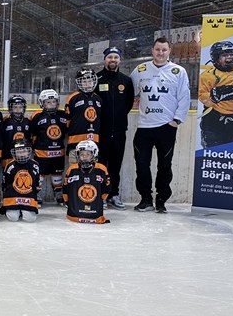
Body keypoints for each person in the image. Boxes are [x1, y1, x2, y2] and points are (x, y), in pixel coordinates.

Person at [130, 36, 191, 213]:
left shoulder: (178, 72)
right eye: (157, 49)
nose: (161, 53)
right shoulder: (140, 69)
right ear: (152, 50)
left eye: (164, 50)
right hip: (144, 127)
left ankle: (161, 200)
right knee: (142, 165)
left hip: (166, 127)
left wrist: (176, 120)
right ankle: (146, 199)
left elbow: (184, 97)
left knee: (165, 166)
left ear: (169, 51)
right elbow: (128, 90)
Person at [96, 47, 135, 209]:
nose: (113, 60)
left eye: (116, 57)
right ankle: (101, 194)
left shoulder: (126, 81)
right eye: (110, 57)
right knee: (100, 164)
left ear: (119, 60)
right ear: (105, 59)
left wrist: (118, 119)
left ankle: (113, 194)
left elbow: (128, 103)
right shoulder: (97, 79)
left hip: (119, 131)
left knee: (115, 164)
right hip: (101, 131)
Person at [28, 89, 69, 204]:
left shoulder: (63, 115)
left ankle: (58, 192)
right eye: (48, 102)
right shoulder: (37, 116)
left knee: (57, 173)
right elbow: (33, 134)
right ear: (42, 103)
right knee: (40, 173)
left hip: (58, 152)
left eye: (54, 102)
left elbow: (66, 132)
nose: (51, 104)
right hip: (42, 152)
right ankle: (37, 193)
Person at [62, 140, 110, 224]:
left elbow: (107, 187)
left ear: (94, 154)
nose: (84, 157)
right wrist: (67, 201)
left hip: (95, 213)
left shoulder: (101, 169)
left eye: (88, 154)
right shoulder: (72, 169)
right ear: (78, 155)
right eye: (82, 154)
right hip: (74, 215)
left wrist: (102, 199)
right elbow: (66, 188)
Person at [65, 68, 102, 165]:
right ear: (79, 82)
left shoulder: (98, 99)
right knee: (74, 169)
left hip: (93, 142)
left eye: (90, 81)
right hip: (75, 141)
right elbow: (67, 120)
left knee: (92, 170)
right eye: (84, 81)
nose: (87, 84)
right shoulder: (73, 98)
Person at [0, 140, 40, 222]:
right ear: (14, 153)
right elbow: (5, 184)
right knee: (12, 218)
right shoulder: (10, 166)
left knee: (30, 219)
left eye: (24, 151)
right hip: (13, 197)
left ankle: (23, 210)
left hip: (28, 197)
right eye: (18, 152)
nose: (21, 154)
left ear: (29, 152)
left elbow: (36, 183)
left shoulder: (35, 165)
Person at [1, 94, 32, 163]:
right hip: (7, 157)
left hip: (23, 156)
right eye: (15, 107)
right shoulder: (5, 121)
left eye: (20, 107)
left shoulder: (28, 122)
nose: (18, 110)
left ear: (24, 108)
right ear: (10, 108)